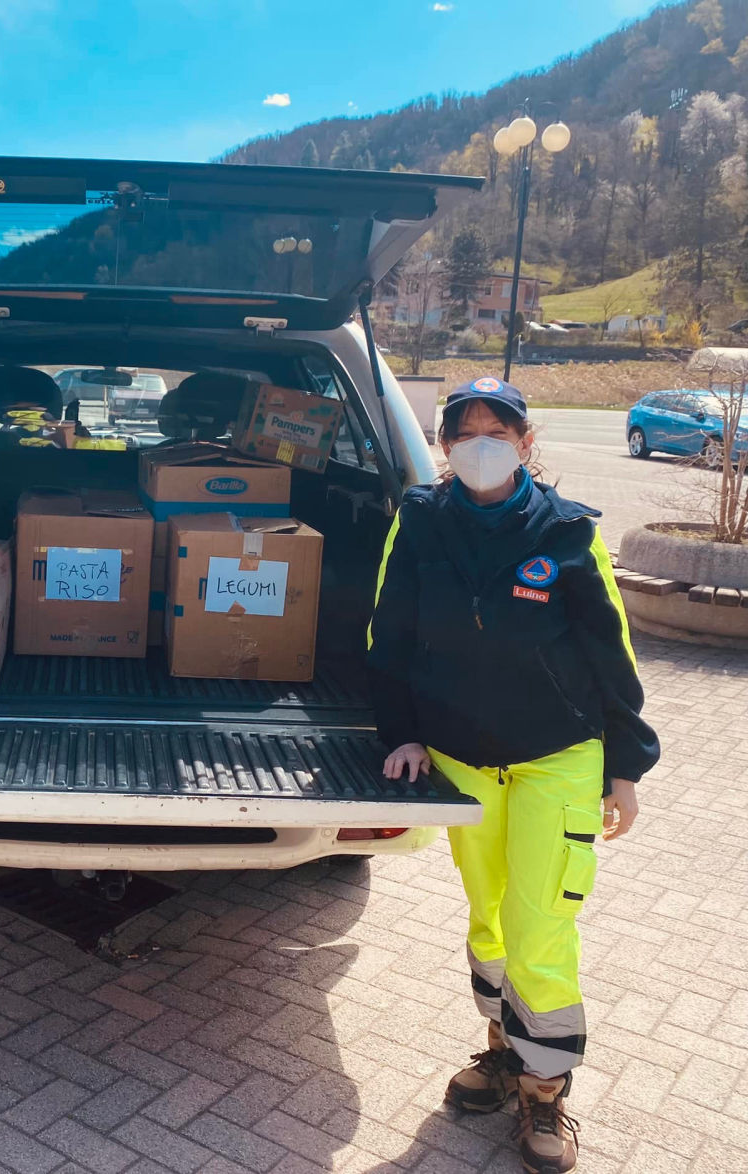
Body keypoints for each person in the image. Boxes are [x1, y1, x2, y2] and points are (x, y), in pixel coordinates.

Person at [367, 377, 659, 1174]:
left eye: (499, 430)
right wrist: (404, 735)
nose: (482, 443)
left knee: (540, 928)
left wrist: (625, 767)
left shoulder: (567, 533)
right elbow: (387, 632)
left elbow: (613, 654)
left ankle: (545, 1092)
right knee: (489, 916)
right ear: (446, 444)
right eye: (466, 431)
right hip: (464, 760)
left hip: (556, 757)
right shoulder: (421, 519)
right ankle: (503, 1051)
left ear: (529, 443)